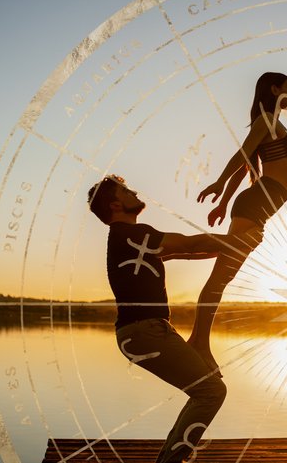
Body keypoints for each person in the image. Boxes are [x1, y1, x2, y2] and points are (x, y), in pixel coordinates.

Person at [88, 174, 254, 463]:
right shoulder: (131, 235)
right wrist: (240, 240)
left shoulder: (127, 239)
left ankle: (169, 458)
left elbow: (188, 252)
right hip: (145, 331)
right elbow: (188, 245)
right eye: (126, 190)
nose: (134, 191)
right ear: (115, 204)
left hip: (141, 332)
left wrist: (230, 246)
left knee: (207, 387)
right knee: (211, 391)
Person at [190, 72, 287, 373]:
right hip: (257, 201)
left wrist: (224, 201)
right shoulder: (266, 120)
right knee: (221, 275)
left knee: (224, 275)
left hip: (259, 204)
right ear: (276, 89)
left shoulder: (272, 123)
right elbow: (241, 157)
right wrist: (219, 184)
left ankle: (198, 342)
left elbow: (247, 165)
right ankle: (198, 343)